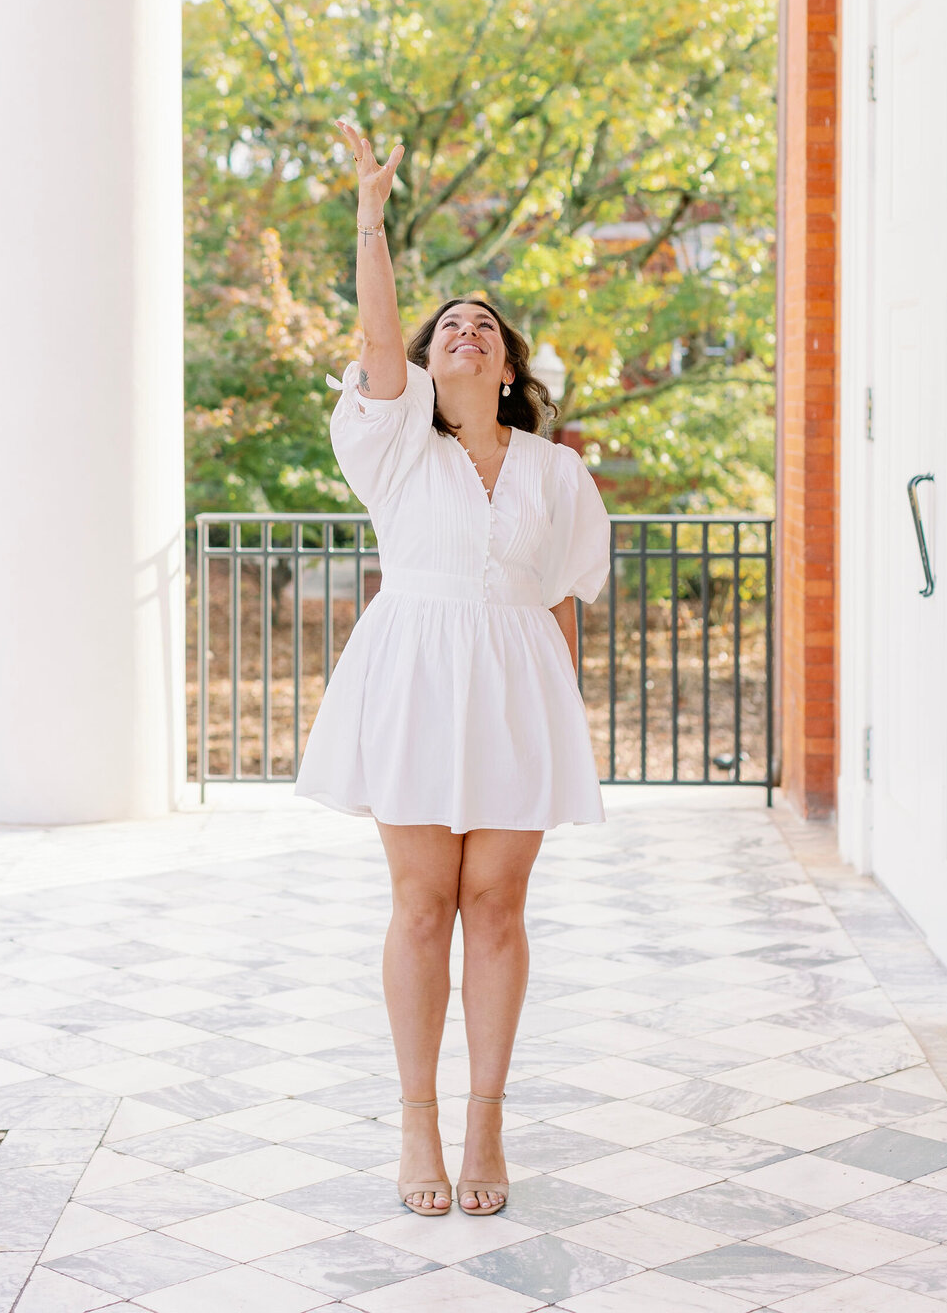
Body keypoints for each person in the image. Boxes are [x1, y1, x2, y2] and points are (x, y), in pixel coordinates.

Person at [295, 120, 611, 1217]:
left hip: (517, 687)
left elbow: (564, 597)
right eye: (449, 329)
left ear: (509, 365)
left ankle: (488, 1127)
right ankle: (417, 1127)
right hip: (416, 680)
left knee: (499, 906)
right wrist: (371, 215)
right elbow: (378, 335)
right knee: (424, 906)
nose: (465, 333)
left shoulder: (554, 474)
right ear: (427, 367)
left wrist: (565, 726)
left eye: (486, 326)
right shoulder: (394, 447)